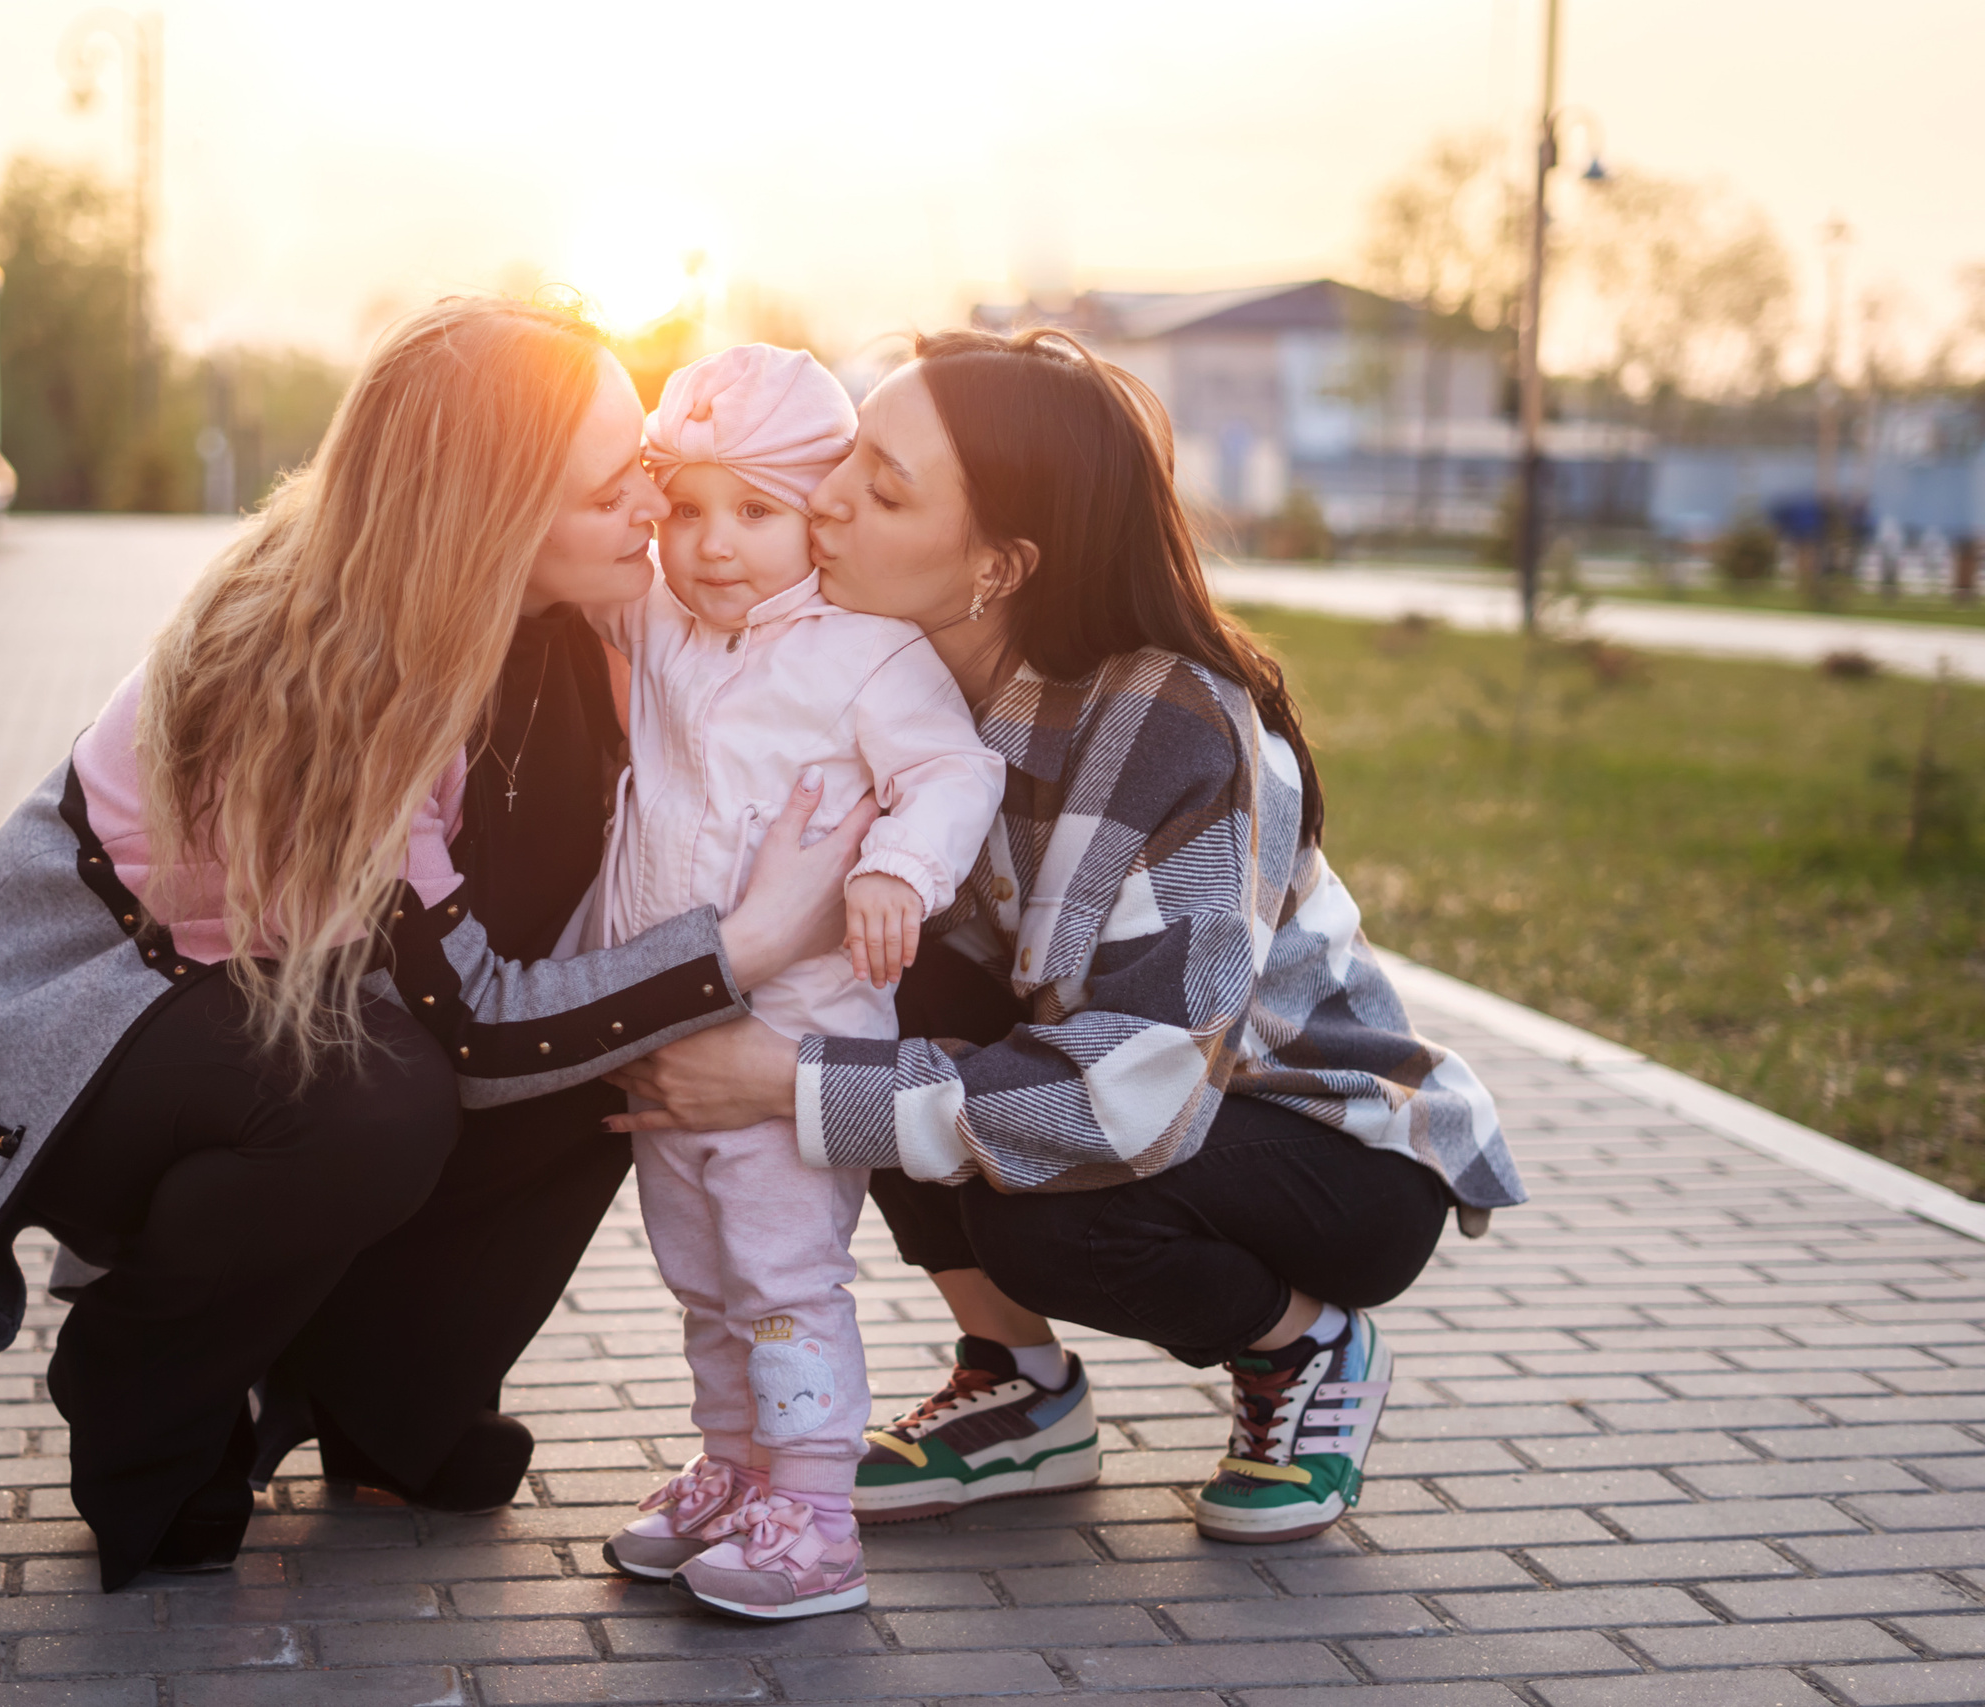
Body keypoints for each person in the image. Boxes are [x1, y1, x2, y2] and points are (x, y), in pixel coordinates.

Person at [0, 298, 877, 1591]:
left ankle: (381, 1397)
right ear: (494, 515)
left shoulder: (561, 616)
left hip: (301, 998)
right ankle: (141, 1384)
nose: (655, 513)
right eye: (613, 490)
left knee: (604, 1051)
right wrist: (745, 945)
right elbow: (474, 1030)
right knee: (387, 1092)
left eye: (652, 472)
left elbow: (811, 656)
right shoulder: (341, 660)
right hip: (98, 1019)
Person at [608, 327, 1526, 1549]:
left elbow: (1131, 1093)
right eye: (844, 457)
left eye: (883, 488)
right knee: (879, 983)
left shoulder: (1172, 726)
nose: (824, 500)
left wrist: (787, 1079)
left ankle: (1304, 1346)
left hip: (1307, 1142)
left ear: (997, 565)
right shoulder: (877, 676)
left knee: (1026, 1203)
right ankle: (1021, 1389)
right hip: (1111, 1076)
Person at [583, 345, 1001, 1621]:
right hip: (669, 1038)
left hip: (795, 1042)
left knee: (782, 1281)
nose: (712, 544)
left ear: (817, 509)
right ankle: (734, 1469)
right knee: (701, 1280)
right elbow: (566, 569)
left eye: (756, 511)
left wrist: (895, 872)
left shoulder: (864, 653)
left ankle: (815, 1514)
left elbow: (952, 773)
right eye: (686, 507)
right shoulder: (659, 621)